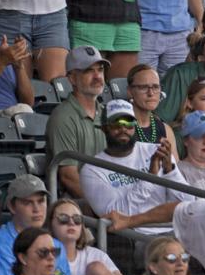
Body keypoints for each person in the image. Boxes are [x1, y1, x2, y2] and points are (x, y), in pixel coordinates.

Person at [81, 100, 188, 234]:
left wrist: (170, 171)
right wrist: (150, 177)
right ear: (104, 128)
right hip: (135, 237)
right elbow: (118, 217)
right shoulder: (91, 169)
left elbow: (186, 202)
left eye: (129, 123)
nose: (123, 129)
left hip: (174, 230)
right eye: (116, 124)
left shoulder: (154, 150)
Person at [46, 45, 110, 198]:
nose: (97, 76)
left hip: (110, 197)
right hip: (77, 205)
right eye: (89, 70)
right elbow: (69, 178)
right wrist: (105, 205)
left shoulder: (108, 113)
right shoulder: (63, 117)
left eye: (100, 70)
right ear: (72, 78)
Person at [48, 198, 133, 275]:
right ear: (51, 223)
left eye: (77, 219)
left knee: (96, 268)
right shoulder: (43, 258)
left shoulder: (95, 255)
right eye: (63, 218)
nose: (71, 222)